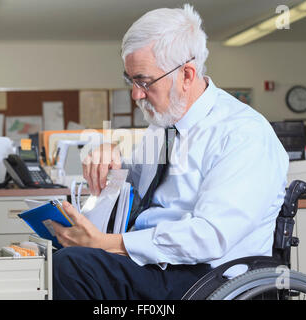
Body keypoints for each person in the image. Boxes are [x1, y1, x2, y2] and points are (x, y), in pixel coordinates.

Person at [51, 4, 289, 300]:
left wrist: (109, 243)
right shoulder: (163, 126)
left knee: (72, 267)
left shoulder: (243, 134)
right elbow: (133, 183)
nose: (136, 94)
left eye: (144, 81)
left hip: (209, 277)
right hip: (158, 264)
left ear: (187, 74)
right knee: (54, 253)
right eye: (131, 80)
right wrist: (109, 157)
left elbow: (210, 236)